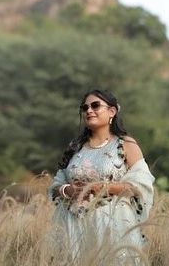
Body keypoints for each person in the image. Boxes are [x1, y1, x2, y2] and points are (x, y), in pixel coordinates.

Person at [49, 89, 154, 264]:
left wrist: (103, 187)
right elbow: (56, 185)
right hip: (75, 226)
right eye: (85, 107)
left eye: (95, 105)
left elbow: (140, 185)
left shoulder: (125, 144)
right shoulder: (75, 147)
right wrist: (69, 190)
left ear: (112, 111)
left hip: (112, 225)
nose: (89, 110)